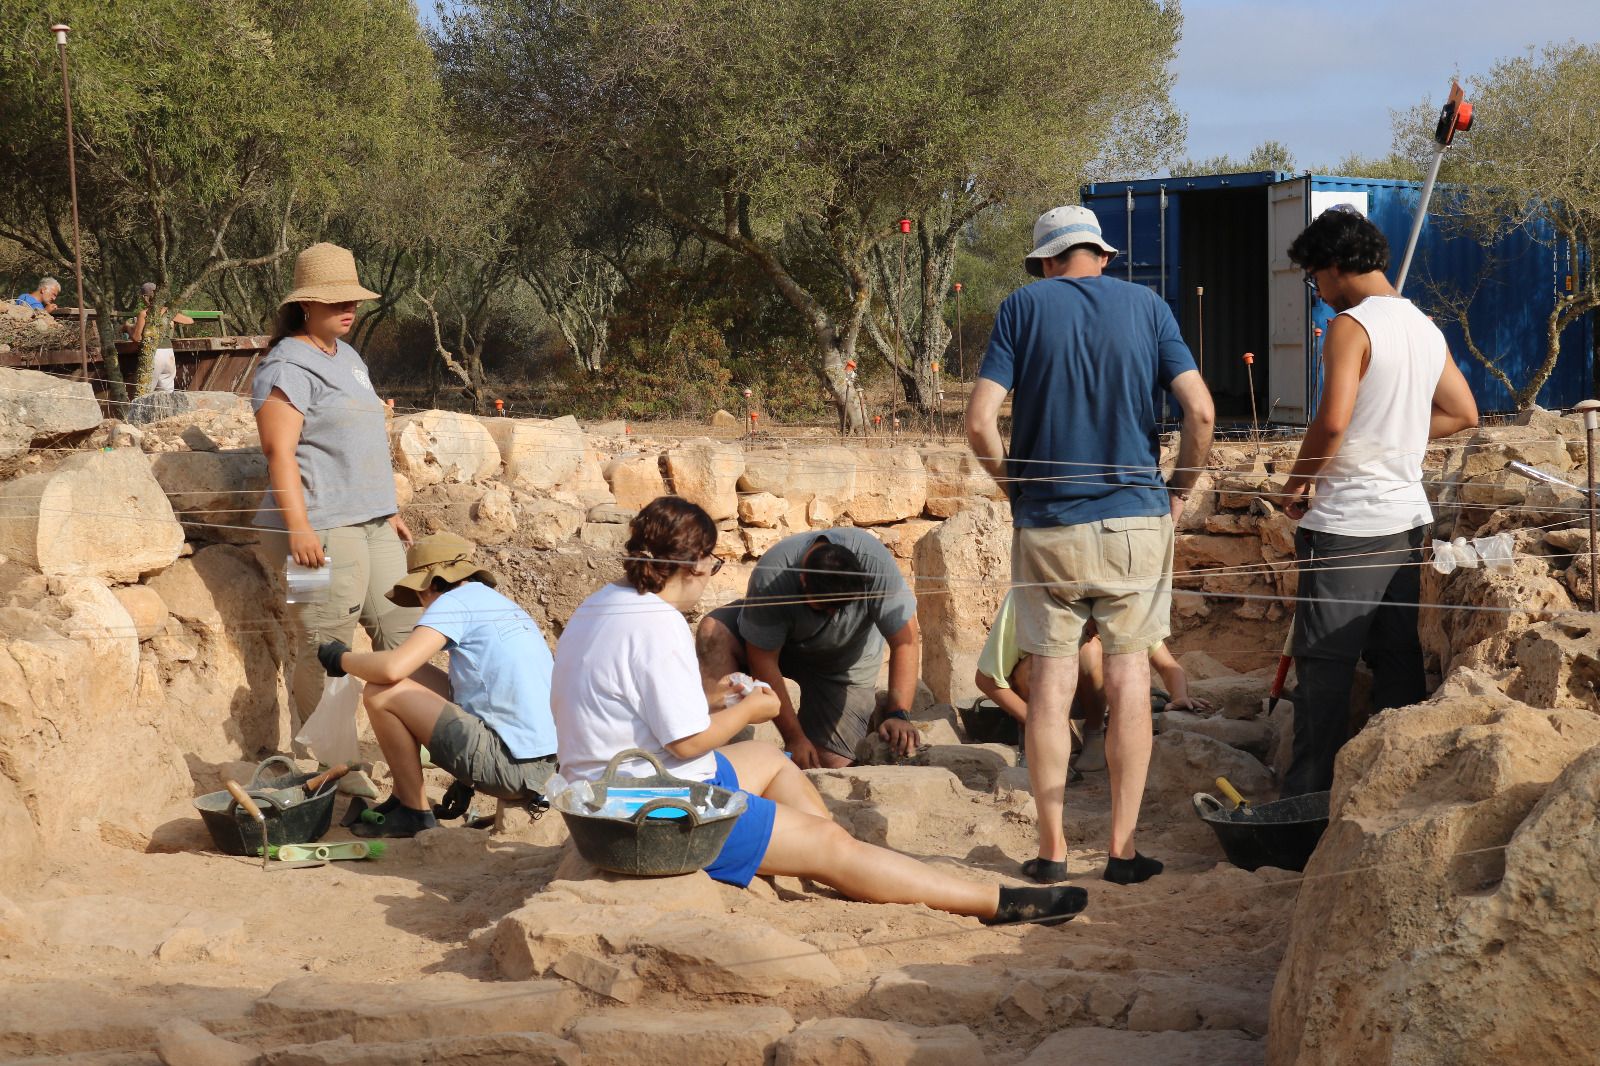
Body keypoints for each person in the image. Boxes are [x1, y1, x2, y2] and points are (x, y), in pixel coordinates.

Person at [550, 496, 1088, 926]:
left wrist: (719, 699)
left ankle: (833, 856)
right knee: (830, 844)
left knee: (776, 764)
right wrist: (755, 708)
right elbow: (687, 744)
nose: (713, 576)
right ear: (691, 563)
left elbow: (634, 705)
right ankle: (992, 902)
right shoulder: (658, 623)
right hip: (652, 814)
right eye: (712, 565)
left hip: (606, 792)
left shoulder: (603, 604)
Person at [966, 204, 1216, 887]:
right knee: (1131, 675)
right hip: (1136, 518)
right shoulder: (1149, 306)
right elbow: (1200, 410)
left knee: (1050, 684)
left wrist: (1015, 488)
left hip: (1046, 523)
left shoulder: (1022, 307)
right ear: (1100, 255)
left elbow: (979, 420)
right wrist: (1179, 488)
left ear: (1046, 260)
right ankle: (1121, 851)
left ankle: (1049, 853)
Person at [1279, 207, 1478, 796]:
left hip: (1348, 521)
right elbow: (1462, 412)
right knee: (1396, 660)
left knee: (1324, 666)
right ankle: (1395, 788)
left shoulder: (1352, 327)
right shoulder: (1422, 324)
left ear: (1335, 267)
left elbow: (1333, 419)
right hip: (1406, 519)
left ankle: (1307, 801)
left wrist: (1297, 481)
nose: (1318, 293)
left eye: (1315, 278)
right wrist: (1395, 437)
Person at [252, 242, 419, 750]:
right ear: (304, 304)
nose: (349, 309)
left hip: (372, 522)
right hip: (318, 530)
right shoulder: (286, 366)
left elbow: (358, 441)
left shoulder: (347, 356)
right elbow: (278, 453)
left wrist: (387, 508)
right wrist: (299, 528)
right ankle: (332, 765)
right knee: (322, 644)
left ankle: (416, 744)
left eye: (353, 300)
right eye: (335, 301)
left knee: (403, 632)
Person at [314, 533, 559, 838]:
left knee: (381, 692)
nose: (421, 606)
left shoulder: (452, 601)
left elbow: (391, 669)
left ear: (433, 584)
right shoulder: (495, 602)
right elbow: (460, 693)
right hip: (542, 768)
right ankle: (404, 797)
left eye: (419, 596)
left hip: (510, 769)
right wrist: (465, 780)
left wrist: (342, 659)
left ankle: (413, 812)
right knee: (409, 676)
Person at [695, 527, 922, 770]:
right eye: (824, 608)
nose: (833, 614)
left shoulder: (873, 562)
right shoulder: (774, 574)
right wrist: (794, 737)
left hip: (843, 665)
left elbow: (905, 641)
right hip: (780, 650)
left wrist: (899, 714)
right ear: (803, 580)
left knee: (827, 765)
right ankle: (714, 755)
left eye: (841, 607)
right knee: (713, 632)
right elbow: (763, 660)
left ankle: (873, 713)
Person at [974, 592, 1213, 770]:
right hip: (1038, 702)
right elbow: (987, 680)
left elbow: (1168, 666)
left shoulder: (1118, 606)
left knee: (1090, 651)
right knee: (1043, 662)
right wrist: (1040, 725)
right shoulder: (1027, 599)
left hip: (1087, 699)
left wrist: (1180, 696)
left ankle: (1094, 736)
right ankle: (1039, 740)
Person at [129, 282, 194, 394]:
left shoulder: (145, 314)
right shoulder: (168, 312)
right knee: (167, 393)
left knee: (145, 393)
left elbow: (136, 338)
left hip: (154, 354)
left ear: (144, 297)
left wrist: (128, 327)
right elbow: (190, 320)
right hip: (169, 354)